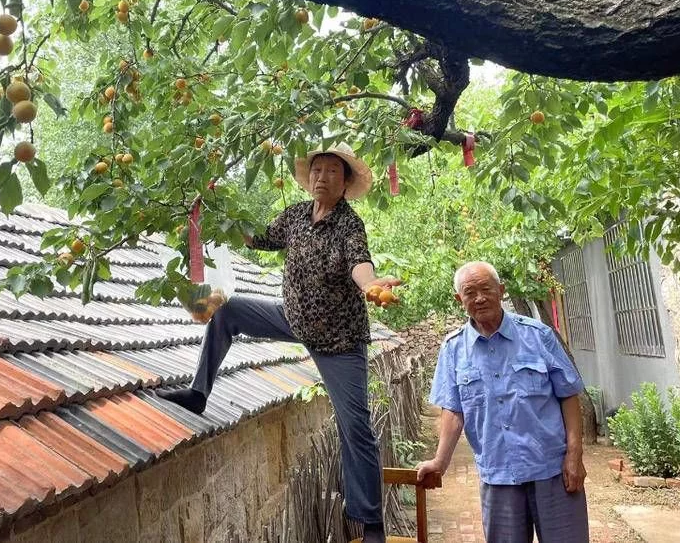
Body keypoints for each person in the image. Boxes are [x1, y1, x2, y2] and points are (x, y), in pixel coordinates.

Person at [159, 142, 401, 543]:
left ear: (345, 184)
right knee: (227, 310)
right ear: (308, 179)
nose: (322, 177)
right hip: (294, 317)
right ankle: (198, 390)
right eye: (317, 171)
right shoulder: (294, 217)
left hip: (338, 339)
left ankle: (371, 524)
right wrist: (217, 210)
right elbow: (258, 239)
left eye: (332, 172)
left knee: (355, 428)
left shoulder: (349, 225)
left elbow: (361, 264)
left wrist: (372, 284)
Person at [417, 261, 589, 543]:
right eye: (470, 292)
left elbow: (568, 395)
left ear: (501, 290)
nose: (480, 298)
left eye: (486, 289)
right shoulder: (453, 350)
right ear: (459, 300)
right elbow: (453, 411)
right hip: (497, 474)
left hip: (552, 471)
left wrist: (574, 455)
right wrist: (440, 461)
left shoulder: (538, 336)